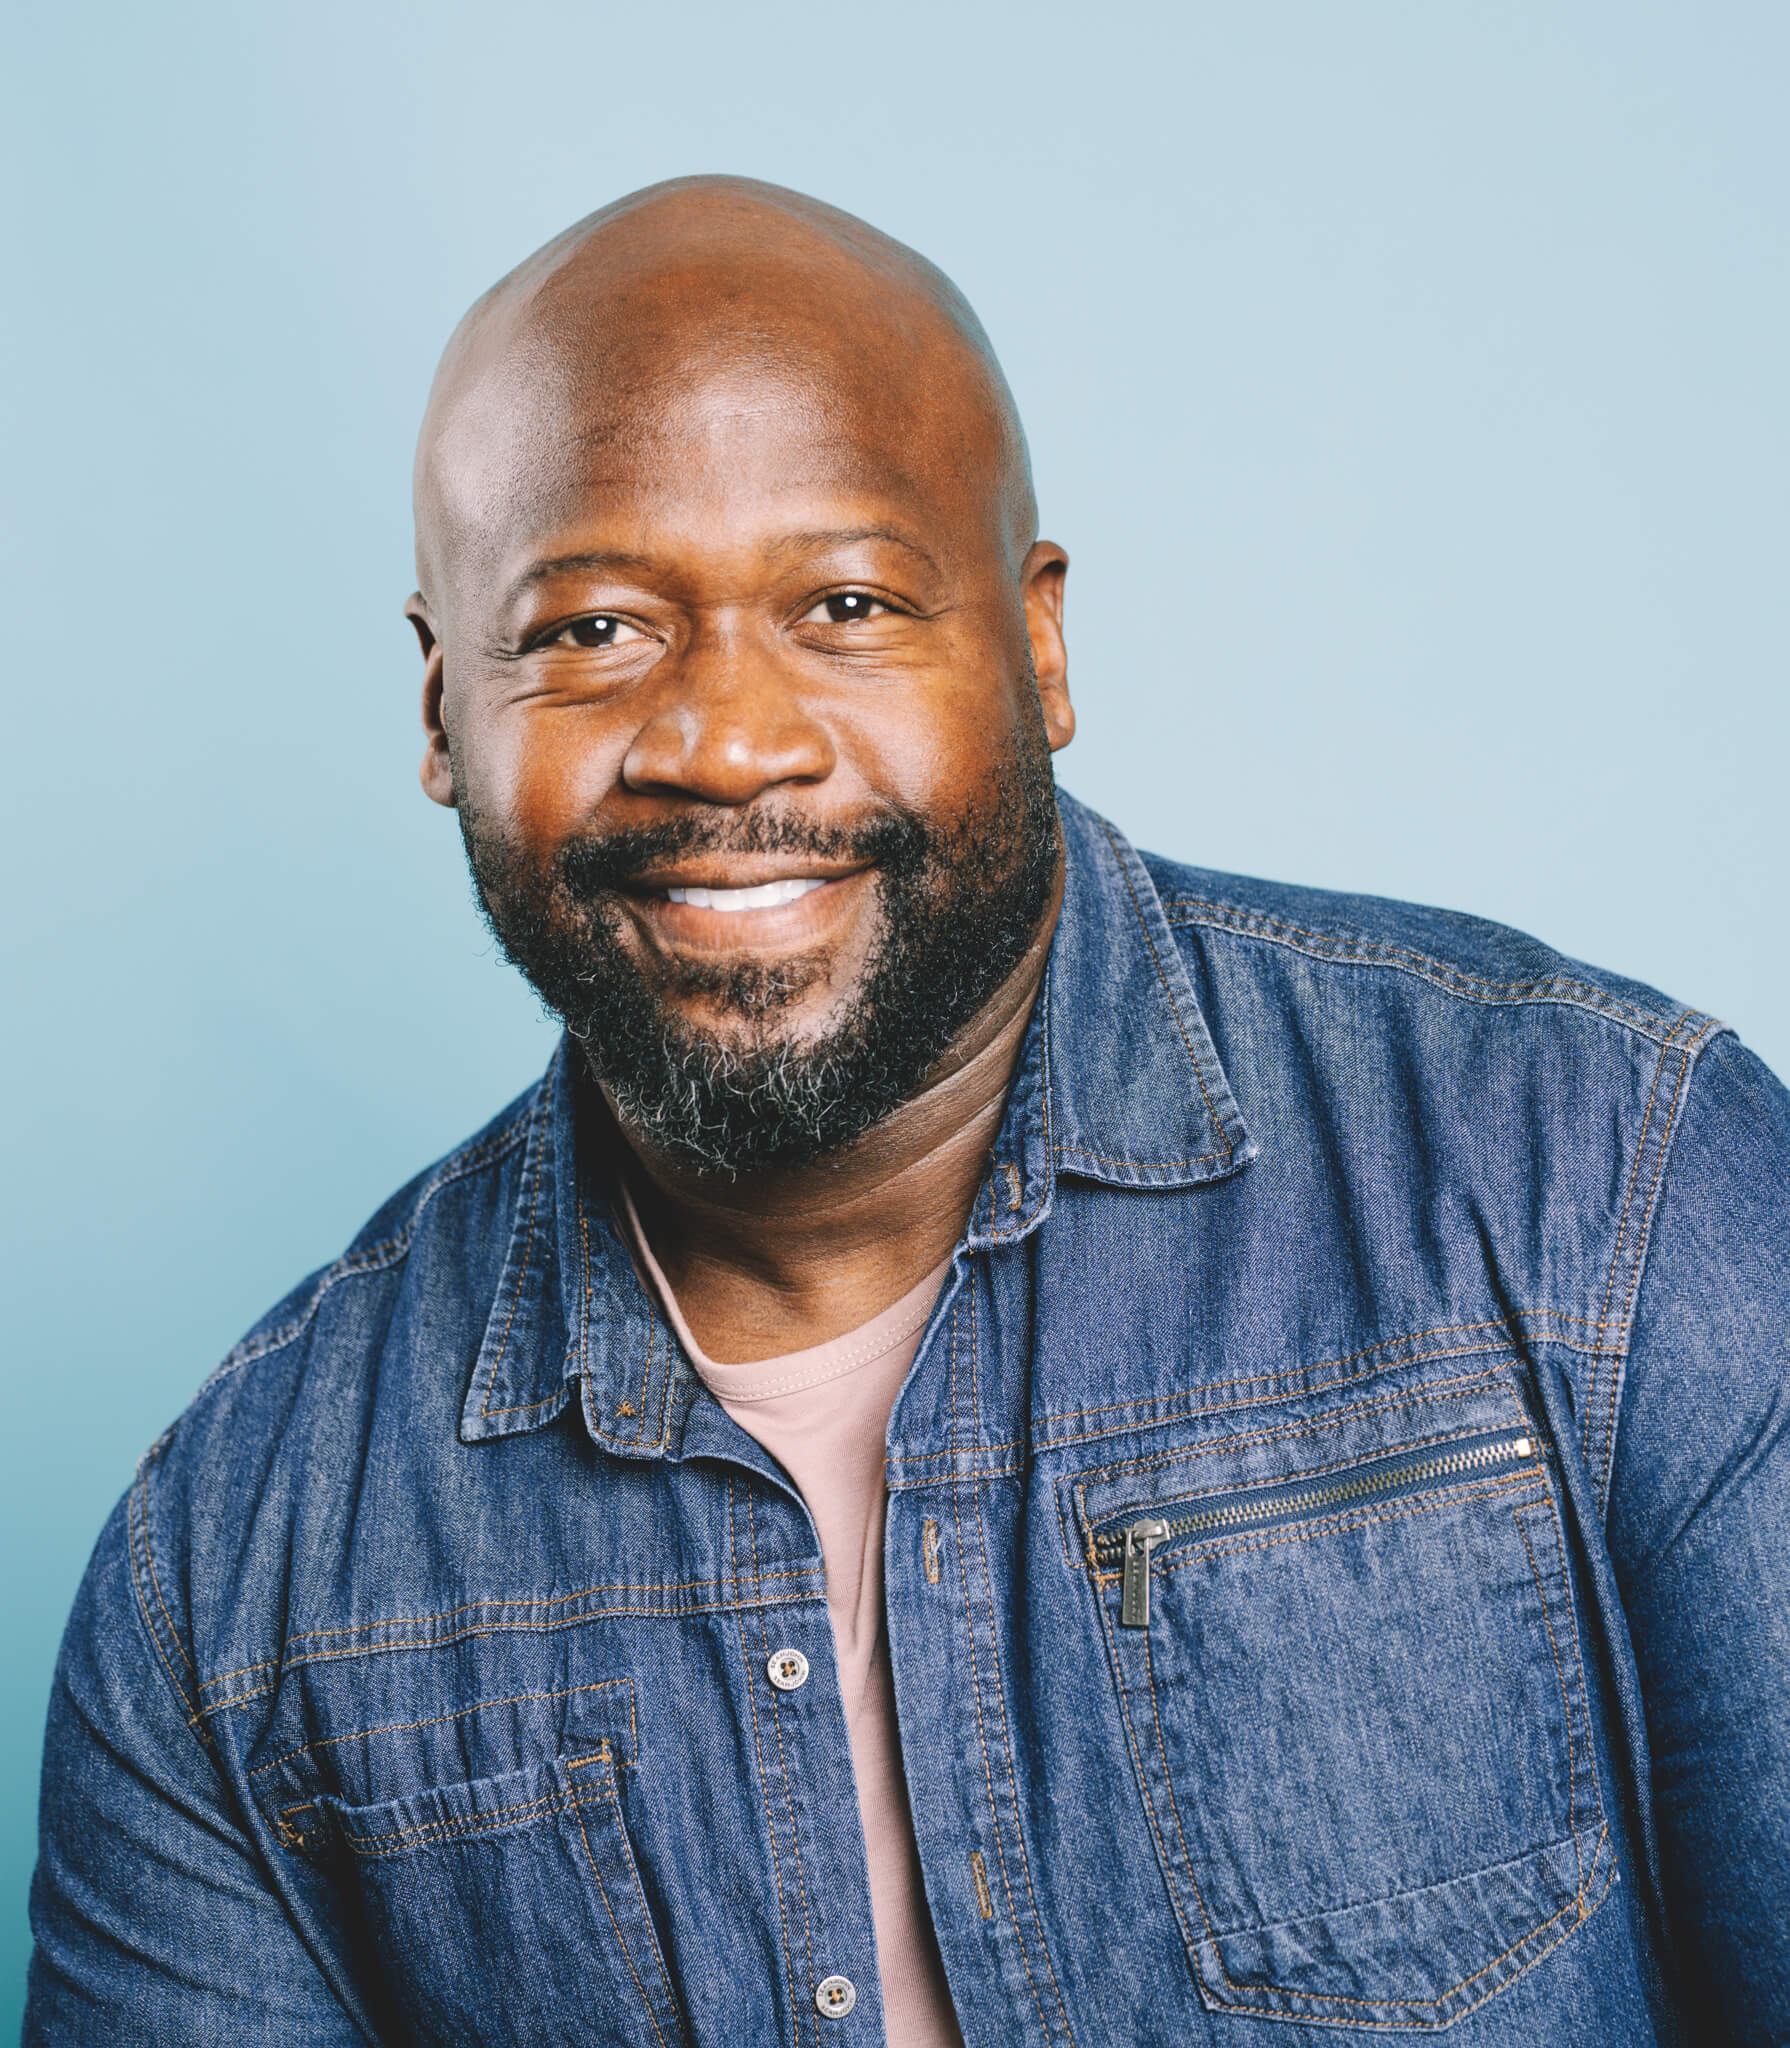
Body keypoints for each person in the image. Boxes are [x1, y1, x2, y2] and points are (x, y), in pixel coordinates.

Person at [23, 175, 1790, 2048]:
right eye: (592, 630)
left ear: (1035, 647)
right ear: (448, 701)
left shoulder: (1604, 1190)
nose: (722, 739)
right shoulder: (228, 1576)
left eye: (845, 603)